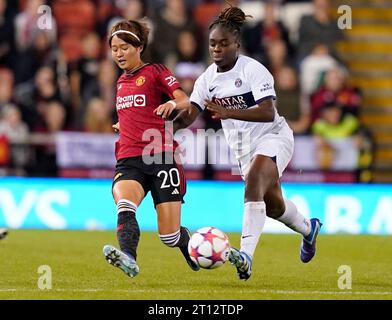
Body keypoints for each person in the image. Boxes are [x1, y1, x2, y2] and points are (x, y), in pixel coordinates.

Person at [155, 5, 322, 281]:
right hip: (244, 150)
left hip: (274, 137)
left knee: (254, 180)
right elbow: (189, 115)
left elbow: (268, 112)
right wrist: (162, 128)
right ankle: (308, 228)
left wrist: (228, 111)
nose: (217, 49)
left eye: (223, 43)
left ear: (237, 43)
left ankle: (245, 256)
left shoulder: (254, 70)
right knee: (274, 207)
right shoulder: (207, 79)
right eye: (212, 44)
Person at [102, 19, 199, 278]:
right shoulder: (121, 82)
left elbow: (185, 100)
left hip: (161, 157)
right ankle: (129, 258)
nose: (118, 54)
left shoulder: (156, 72)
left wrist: (172, 106)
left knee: (168, 236)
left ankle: (184, 238)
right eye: (114, 49)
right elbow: (138, 112)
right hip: (128, 159)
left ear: (139, 47)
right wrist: (122, 124)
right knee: (124, 202)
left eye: (124, 47)